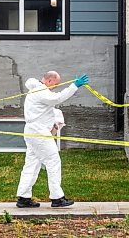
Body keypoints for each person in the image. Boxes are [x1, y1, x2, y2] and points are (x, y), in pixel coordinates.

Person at [16, 71, 89, 208]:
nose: (55, 87)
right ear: (49, 80)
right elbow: (58, 98)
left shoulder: (36, 89)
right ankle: (57, 198)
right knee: (53, 161)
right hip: (39, 133)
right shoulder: (41, 91)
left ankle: (23, 197)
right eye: (55, 84)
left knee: (32, 164)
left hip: (33, 132)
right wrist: (75, 86)